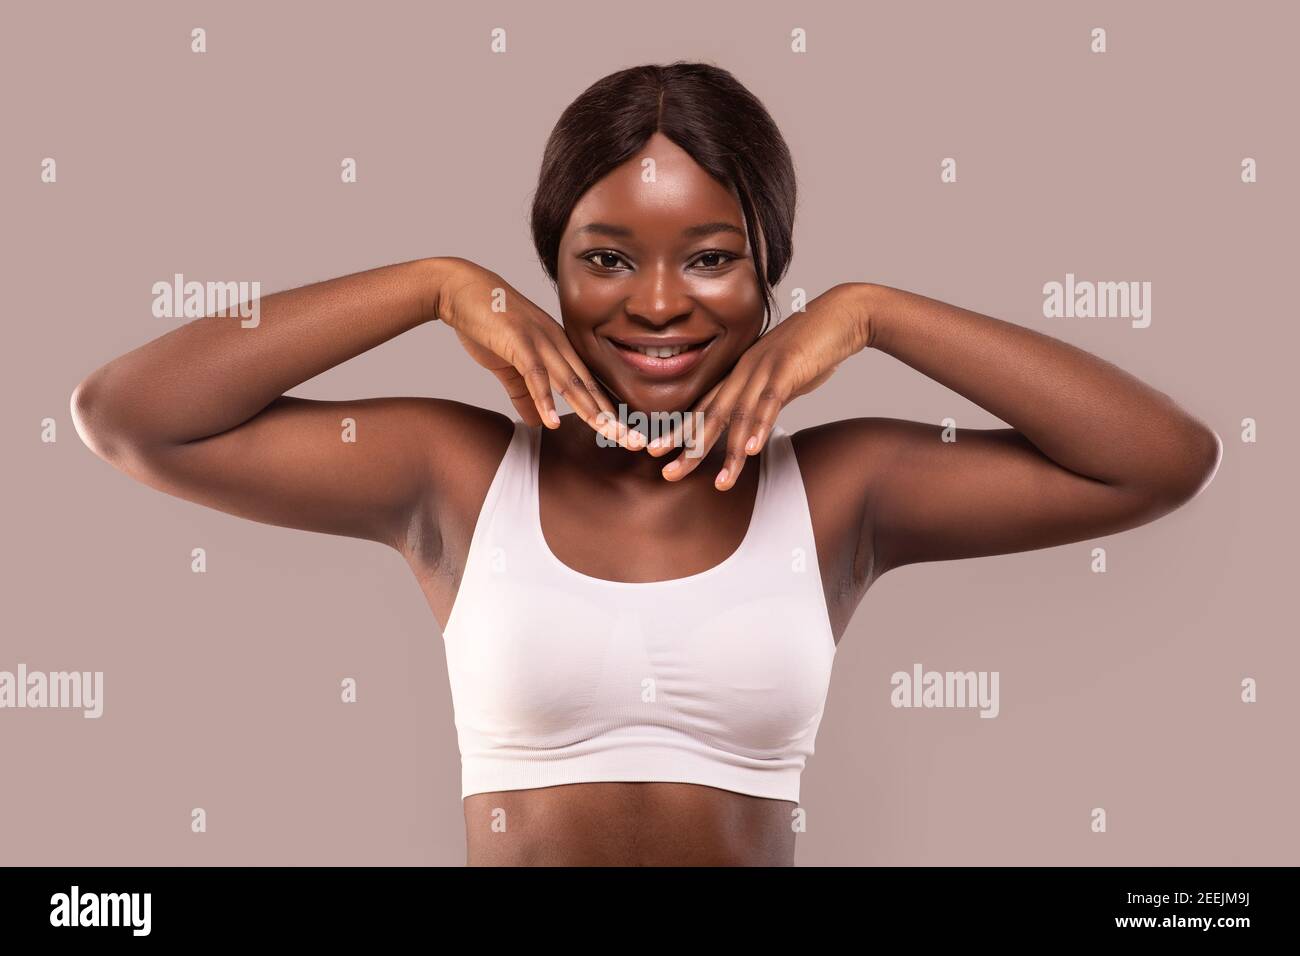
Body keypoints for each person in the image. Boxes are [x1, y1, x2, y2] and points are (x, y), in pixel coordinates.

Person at [70, 62, 1220, 866]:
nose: (659, 302)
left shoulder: (838, 493)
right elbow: (132, 416)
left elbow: (1159, 459)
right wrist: (432, 284)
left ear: (770, 275)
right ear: (550, 274)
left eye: (713, 257)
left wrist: (877, 313)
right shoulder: (454, 475)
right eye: (606, 256)